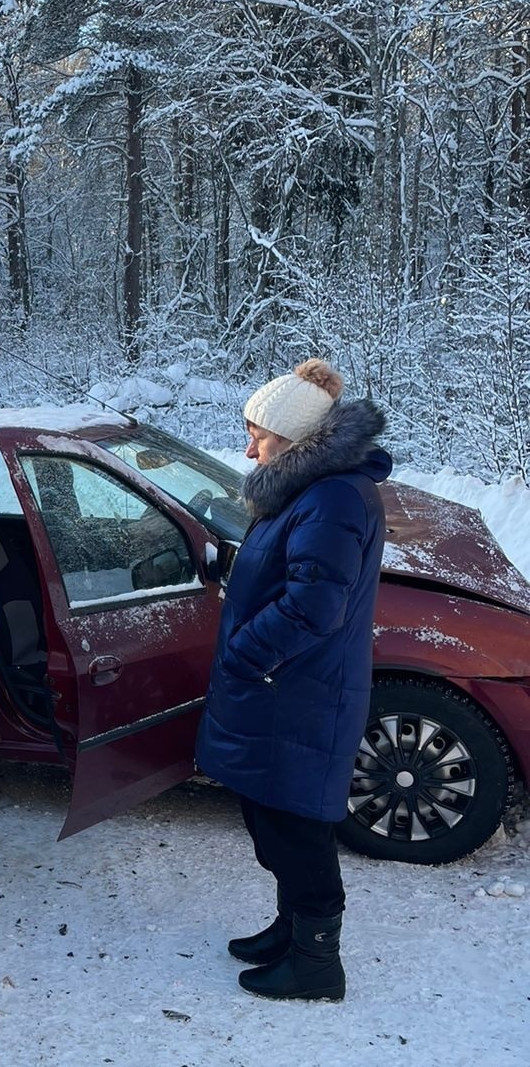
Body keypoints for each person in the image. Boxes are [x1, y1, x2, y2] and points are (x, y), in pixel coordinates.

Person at [196, 359, 391, 1002]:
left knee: (297, 827)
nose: (248, 447)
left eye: (258, 434)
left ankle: (316, 963)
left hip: (298, 692)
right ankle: (289, 929)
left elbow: (314, 606)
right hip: (289, 689)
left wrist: (246, 655)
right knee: (274, 816)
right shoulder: (308, 491)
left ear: (297, 439)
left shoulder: (332, 497)